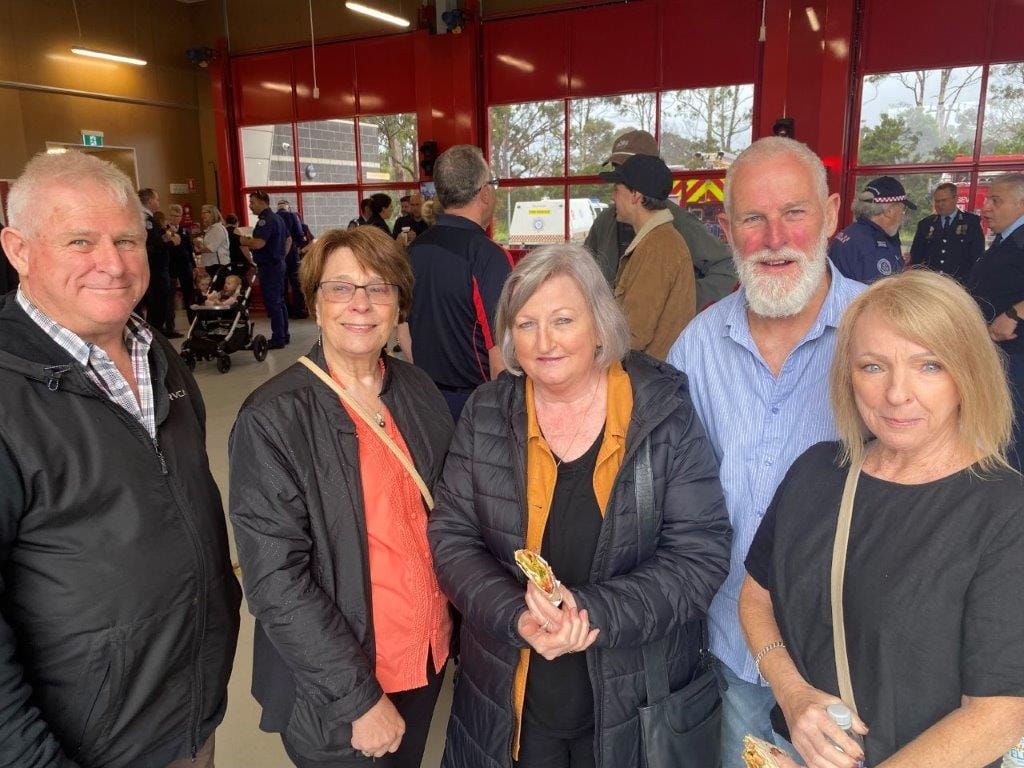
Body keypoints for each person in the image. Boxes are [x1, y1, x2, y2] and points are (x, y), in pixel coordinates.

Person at [428, 244, 731, 768]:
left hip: (635, 703)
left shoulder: (661, 410)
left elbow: (699, 554)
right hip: (512, 697)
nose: (544, 342)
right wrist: (516, 614)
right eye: (526, 324)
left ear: (599, 322)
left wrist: (591, 612)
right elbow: (452, 535)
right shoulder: (486, 411)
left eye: (563, 319)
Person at [0, 149, 241, 767]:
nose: (112, 264)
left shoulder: (156, 353)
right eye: (80, 240)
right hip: (79, 748)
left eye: (127, 240)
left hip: (185, 717)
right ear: (19, 250)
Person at [740, 269, 1024, 767]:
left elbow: (1000, 712)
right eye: (873, 367)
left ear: (969, 373)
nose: (897, 394)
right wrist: (794, 695)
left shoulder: (1005, 510)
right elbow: (755, 596)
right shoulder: (816, 473)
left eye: (929, 366)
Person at [667, 136, 866, 764]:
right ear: (726, 228)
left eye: (795, 212)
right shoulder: (696, 348)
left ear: (832, 214)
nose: (774, 236)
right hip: (730, 649)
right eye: (753, 218)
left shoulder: (882, 330)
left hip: (854, 658)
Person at [229, 226, 455, 768]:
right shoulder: (273, 418)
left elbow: (453, 516)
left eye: (379, 288)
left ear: (399, 302)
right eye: (341, 288)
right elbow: (276, 581)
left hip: (426, 657)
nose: (361, 303)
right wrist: (359, 698)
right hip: (341, 688)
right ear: (315, 300)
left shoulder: (416, 389)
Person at [400, 145, 513, 421]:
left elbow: (403, 332)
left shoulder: (413, 251)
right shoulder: (489, 256)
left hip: (426, 400)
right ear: (485, 193)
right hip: (477, 406)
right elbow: (500, 350)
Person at [583, 129, 737, 311]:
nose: (620, 177)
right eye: (617, 169)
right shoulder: (605, 222)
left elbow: (727, 267)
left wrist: (681, 303)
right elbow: (582, 270)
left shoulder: (680, 224)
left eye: (628, 168)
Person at [598, 152, 695, 359]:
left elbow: (634, 334)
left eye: (617, 190)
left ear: (636, 196)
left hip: (649, 380)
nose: (613, 197)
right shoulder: (656, 241)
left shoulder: (657, 247)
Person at [967, 172, 1024, 472]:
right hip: (997, 354)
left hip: (1017, 358)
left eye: (996, 201)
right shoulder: (1006, 239)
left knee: (1014, 434)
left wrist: (1015, 314)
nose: (986, 207)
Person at [828, 176, 916, 284]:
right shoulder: (874, 248)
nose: (903, 215)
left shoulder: (851, 232)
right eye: (903, 209)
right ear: (889, 211)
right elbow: (882, 296)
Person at [240, 190, 290, 349]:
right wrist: (281, 255)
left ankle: (278, 338)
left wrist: (244, 240)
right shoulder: (278, 218)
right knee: (280, 302)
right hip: (278, 264)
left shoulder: (266, 220)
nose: (250, 206)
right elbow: (288, 240)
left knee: (273, 303)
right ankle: (284, 334)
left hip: (269, 267)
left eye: (252, 202)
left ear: (263, 202)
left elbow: (259, 243)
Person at [908, 181, 983, 284]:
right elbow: (916, 257)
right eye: (937, 201)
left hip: (959, 284)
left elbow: (977, 257)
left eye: (944, 200)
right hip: (931, 283)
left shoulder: (971, 223)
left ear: (955, 199)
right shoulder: (925, 224)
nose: (940, 204)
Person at [139, 186, 172, 332]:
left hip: (153, 267)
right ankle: (154, 333)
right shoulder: (146, 219)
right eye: (157, 199)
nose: (158, 202)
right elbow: (153, 243)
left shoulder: (145, 217)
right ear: (150, 200)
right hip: (155, 268)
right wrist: (167, 240)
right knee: (157, 303)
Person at [277, 199, 309, 319]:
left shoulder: (273, 218)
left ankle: (285, 310)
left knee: (282, 284)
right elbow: (300, 235)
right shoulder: (293, 216)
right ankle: (298, 310)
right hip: (292, 254)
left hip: (277, 255)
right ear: (288, 207)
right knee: (296, 283)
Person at [166, 203, 194, 336]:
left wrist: (193, 266)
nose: (175, 218)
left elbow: (190, 250)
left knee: (189, 295)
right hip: (171, 267)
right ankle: (170, 327)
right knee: (170, 298)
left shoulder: (184, 231)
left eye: (178, 216)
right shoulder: (165, 230)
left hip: (185, 267)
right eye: (173, 215)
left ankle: (193, 323)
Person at [194, 203, 231, 290]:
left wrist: (199, 245)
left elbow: (211, 248)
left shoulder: (217, 229)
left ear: (212, 214)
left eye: (204, 213)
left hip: (218, 265)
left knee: (216, 291)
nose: (202, 215)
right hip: (212, 265)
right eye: (201, 213)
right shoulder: (210, 229)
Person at [224, 212, 253, 281]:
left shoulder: (223, 231)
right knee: (241, 281)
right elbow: (243, 247)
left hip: (228, 260)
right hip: (238, 261)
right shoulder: (236, 230)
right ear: (237, 222)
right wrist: (250, 260)